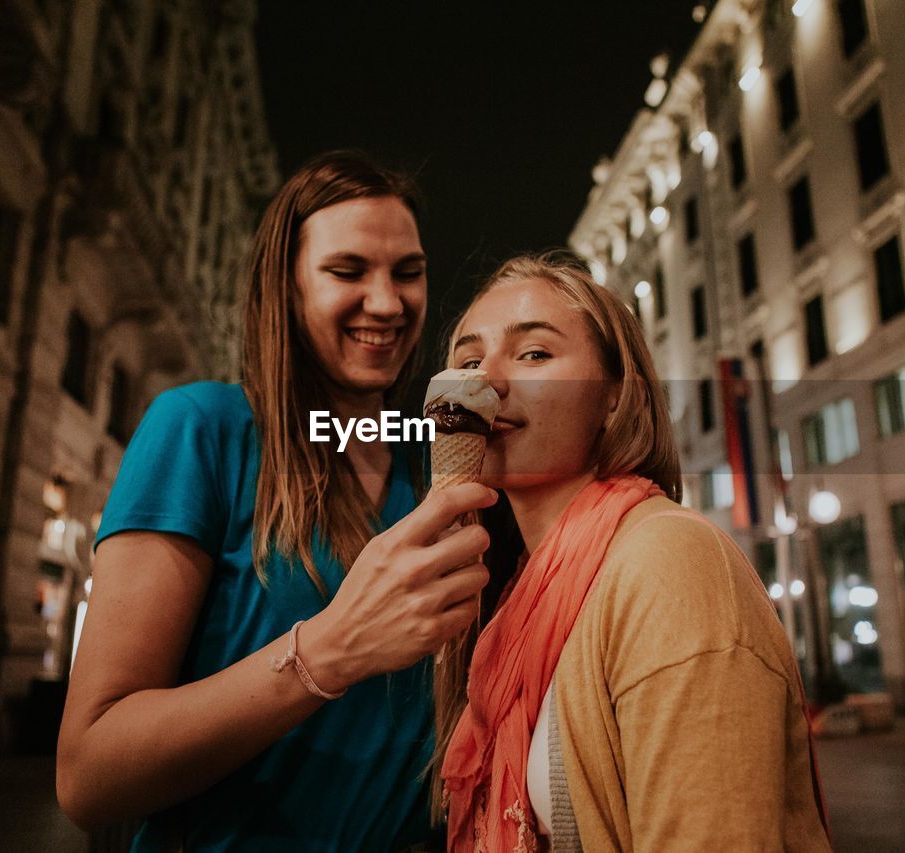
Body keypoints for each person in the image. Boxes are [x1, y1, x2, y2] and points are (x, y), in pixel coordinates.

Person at [56, 151, 497, 851]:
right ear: (286, 288)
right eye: (347, 271)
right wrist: (329, 649)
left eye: (407, 272)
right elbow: (90, 774)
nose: (387, 302)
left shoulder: (431, 468)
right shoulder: (203, 429)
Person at [433, 253, 830, 851]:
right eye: (468, 360)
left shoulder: (669, 562)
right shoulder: (511, 592)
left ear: (615, 398)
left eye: (534, 353)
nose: (484, 380)